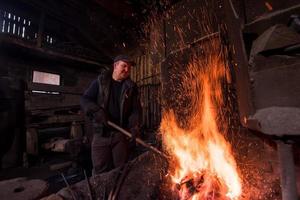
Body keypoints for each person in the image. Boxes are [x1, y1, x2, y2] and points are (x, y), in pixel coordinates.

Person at [80, 55, 141, 174]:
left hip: (120, 135)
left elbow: (136, 110)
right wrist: (97, 110)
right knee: (100, 172)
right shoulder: (101, 81)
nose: (127, 70)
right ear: (115, 66)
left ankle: (120, 192)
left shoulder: (131, 87)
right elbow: (85, 99)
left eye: (129, 67)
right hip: (101, 135)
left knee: (121, 171)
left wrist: (134, 126)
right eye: (124, 66)